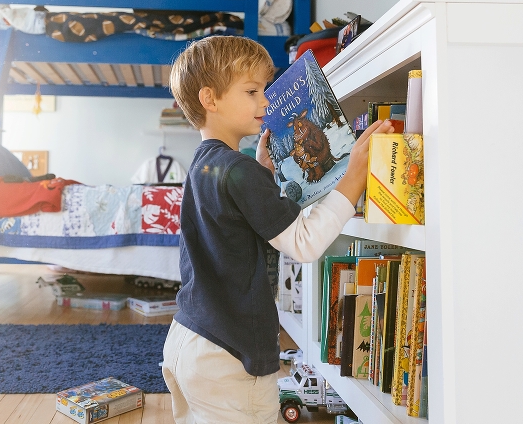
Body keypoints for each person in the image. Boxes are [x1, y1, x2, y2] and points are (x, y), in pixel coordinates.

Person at [162, 36, 393, 423]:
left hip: (189, 337)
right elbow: (302, 244)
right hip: (228, 354)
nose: (265, 102)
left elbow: (234, 223)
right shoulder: (239, 172)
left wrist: (264, 170)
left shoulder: (206, 164)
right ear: (209, 99)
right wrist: (352, 179)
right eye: (251, 91)